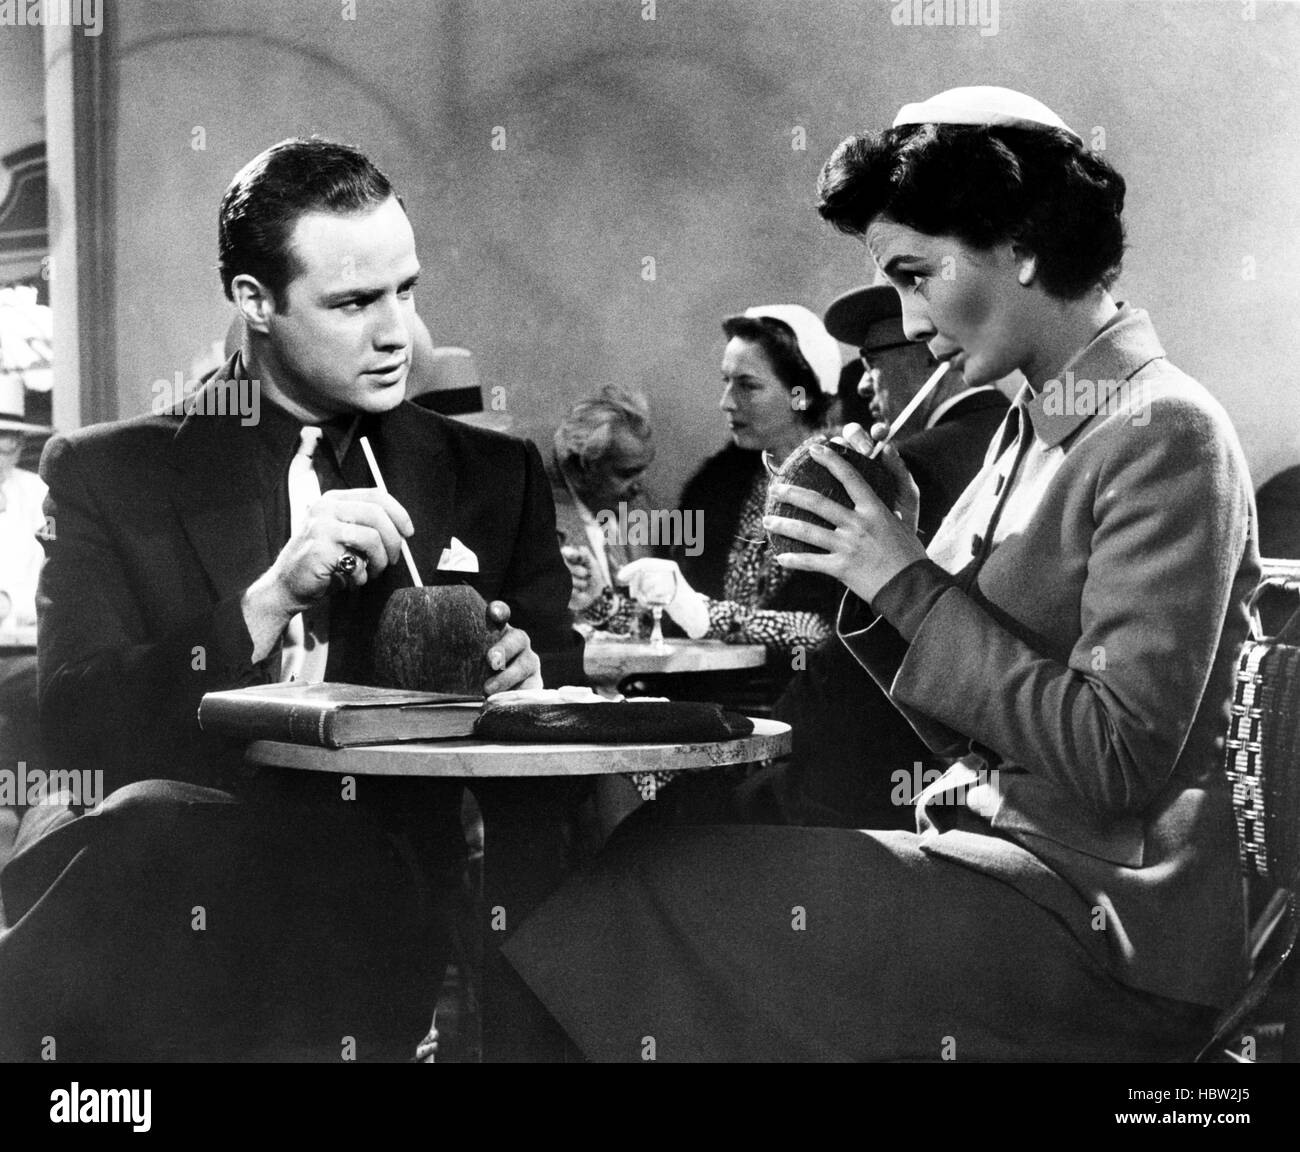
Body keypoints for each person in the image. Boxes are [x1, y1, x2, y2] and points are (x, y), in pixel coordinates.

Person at [501, 87, 1258, 1061]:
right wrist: (879, 568)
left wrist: (902, 579)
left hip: (1109, 930)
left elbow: (1115, 762)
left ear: (1021, 243)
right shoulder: (1034, 433)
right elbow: (978, 721)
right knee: (630, 881)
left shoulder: (1163, 430)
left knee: (617, 911)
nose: (909, 319)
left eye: (915, 274)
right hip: (1006, 874)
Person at [0, 138, 579, 1061]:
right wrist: (265, 601)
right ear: (255, 303)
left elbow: (568, 709)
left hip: (382, 914)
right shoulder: (113, 472)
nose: (396, 333)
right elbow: (77, 726)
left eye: (406, 290)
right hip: (161, 922)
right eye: (352, 302)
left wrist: (533, 680)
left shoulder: (491, 475)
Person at [749, 285, 1011, 828]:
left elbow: (846, 665)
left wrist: (772, 741)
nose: (864, 384)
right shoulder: (1012, 445)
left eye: (872, 363)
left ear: (928, 355)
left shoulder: (904, 468)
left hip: (871, 784)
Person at [619, 304, 845, 710]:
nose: (726, 401)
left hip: (799, 715)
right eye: (725, 382)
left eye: (747, 385)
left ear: (802, 395)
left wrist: (708, 616)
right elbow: (676, 617)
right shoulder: (715, 487)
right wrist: (594, 602)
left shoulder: (845, 489)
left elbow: (825, 630)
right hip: (702, 703)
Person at [546, 387, 658, 631]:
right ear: (581, 467)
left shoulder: (638, 509)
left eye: (643, 469)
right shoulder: (539, 520)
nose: (640, 486)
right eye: (626, 473)